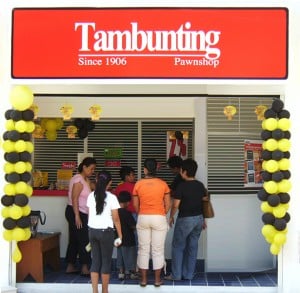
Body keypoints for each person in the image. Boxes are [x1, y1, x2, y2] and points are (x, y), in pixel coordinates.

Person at [165, 158, 207, 281]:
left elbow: (176, 205)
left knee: (178, 246)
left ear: (184, 171)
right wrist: (203, 219)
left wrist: (171, 216)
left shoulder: (182, 186)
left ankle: (176, 275)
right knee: (192, 247)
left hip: (185, 219)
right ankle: (188, 274)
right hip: (199, 219)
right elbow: (204, 203)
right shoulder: (200, 186)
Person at [132, 158, 171, 287]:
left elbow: (135, 204)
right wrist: (161, 213)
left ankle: (143, 280)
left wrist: (141, 213)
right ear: (156, 169)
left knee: (143, 249)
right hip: (159, 217)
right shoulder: (163, 184)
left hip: (143, 217)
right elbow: (168, 204)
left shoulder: (138, 184)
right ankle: (157, 280)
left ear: (145, 169)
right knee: (158, 250)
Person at [87, 170, 122, 293]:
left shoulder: (91, 196)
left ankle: (95, 291)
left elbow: (89, 215)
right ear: (110, 183)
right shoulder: (112, 198)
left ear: (97, 180)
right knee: (106, 263)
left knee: (95, 262)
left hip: (92, 232)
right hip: (106, 233)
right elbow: (116, 219)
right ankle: (105, 291)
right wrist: (120, 236)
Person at [65, 157, 96, 275]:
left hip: (78, 212)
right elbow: (74, 198)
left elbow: (94, 187)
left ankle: (70, 265)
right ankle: (84, 267)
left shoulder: (85, 179)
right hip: (76, 212)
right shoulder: (78, 180)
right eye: (91, 168)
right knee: (84, 240)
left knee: (74, 239)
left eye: (94, 169)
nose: (92, 171)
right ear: (84, 167)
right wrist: (77, 216)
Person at [116, 190, 138, 281]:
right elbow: (133, 225)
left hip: (118, 238)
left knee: (120, 255)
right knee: (130, 255)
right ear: (127, 202)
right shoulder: (127, 213)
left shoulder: (115, 212)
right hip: (128, 238)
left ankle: (121, 273)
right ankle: (132, 273)